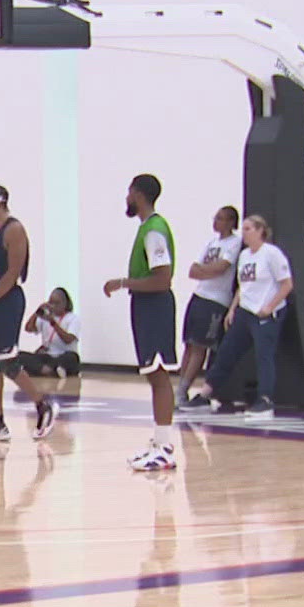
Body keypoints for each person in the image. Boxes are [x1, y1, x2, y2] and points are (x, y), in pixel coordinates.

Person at [104, 175, 180, 472]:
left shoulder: (154, 231)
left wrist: (123, 282)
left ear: (137, 194)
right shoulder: (148, 229)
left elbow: (162, 278)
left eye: (128, 192)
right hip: (146, 306)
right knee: (153, 374)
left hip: (155, 306)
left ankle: (165, 448)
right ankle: (160, 441)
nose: (126, 198)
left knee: (159, 374)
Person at [186, 215, 294, 419]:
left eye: (248, 229)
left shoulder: (271, 253)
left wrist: (270, 307)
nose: (244, 233)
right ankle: (206, 394)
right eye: (243, 229)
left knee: (264, 355)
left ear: (261, 231)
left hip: (265, 312)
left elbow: (287, 284)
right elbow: (242, 286)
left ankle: (265, 400)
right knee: (226, 352)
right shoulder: (245, 256)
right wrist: (233, 309)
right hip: (245, 311)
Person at [0, 185, 54, 442]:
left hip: (7, 301)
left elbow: (13, 273)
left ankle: (43, 405)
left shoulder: (13, 229)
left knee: (7, 360)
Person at [178, 206, 244, 402]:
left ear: (231, 222)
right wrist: (207, 270)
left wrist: (205, 270)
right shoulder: (211, 242)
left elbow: (222, 268)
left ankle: (184, 389)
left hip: (216, 301)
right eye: (215, 217)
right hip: (199, 295)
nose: (215, 222)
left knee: (200, 346)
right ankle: (180, 387)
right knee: (189, 344)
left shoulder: (235, 243)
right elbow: (193, 270)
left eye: (220, 218)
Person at [20, 287, 83, 380]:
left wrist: (53, 322)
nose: (53, 306)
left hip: (63, 355)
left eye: (57, 303)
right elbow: (28, 328)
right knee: (21, 355)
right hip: (47, 356)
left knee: (72, 358)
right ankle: (50, 370)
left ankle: (45, 369)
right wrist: (37, 313)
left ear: (65, 304)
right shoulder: (45, 317)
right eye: (51, 302)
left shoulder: (72, 318)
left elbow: (68, 340)